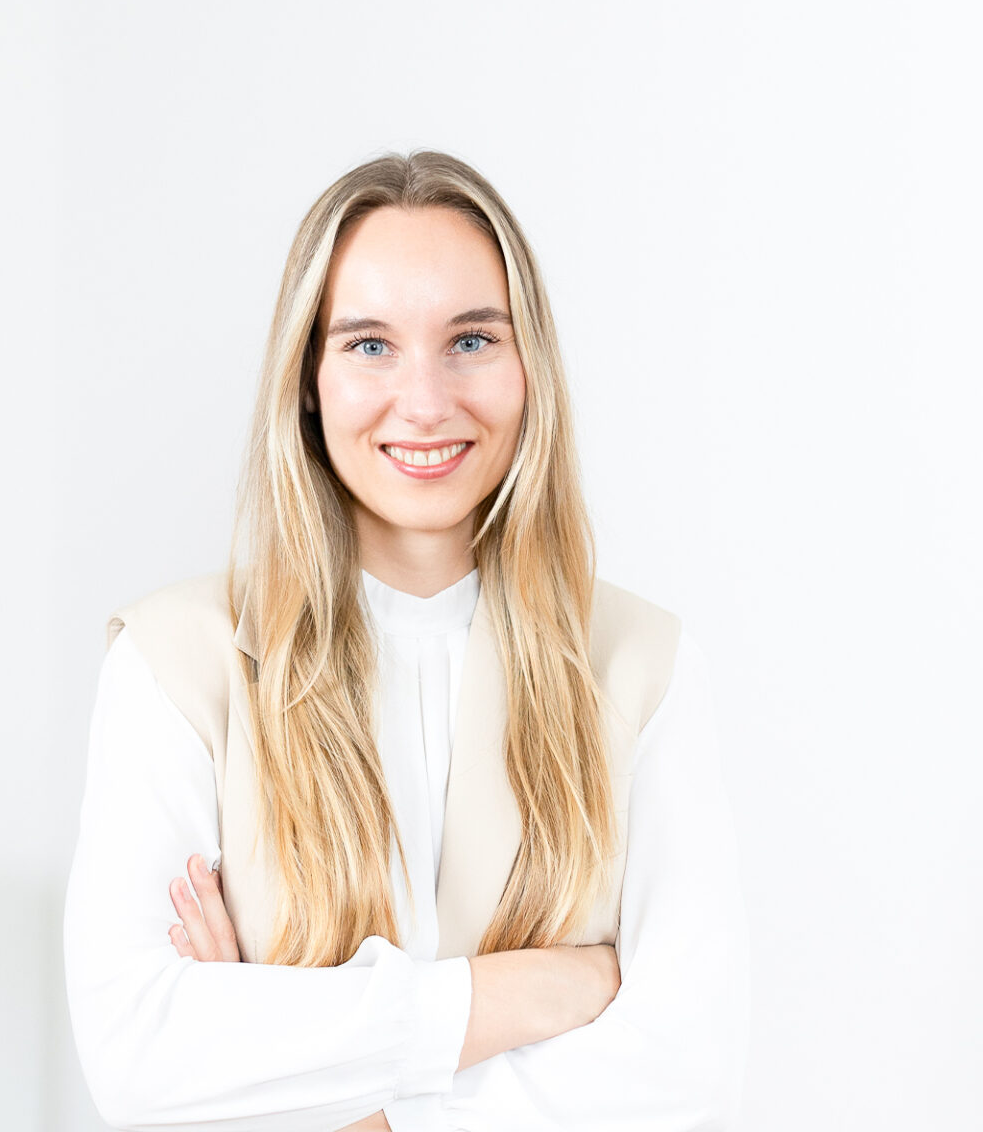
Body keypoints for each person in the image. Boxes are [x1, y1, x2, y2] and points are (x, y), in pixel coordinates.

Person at [61, 150, 749, 1132]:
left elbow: (687, 1076)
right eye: (370, 345)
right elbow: (139, 1057)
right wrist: (525, 995)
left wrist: (309, 1082)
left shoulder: (644, 664)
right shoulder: (174, 664)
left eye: (471, 340)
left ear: (530, 369)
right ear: (308, 378)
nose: (424, 402)